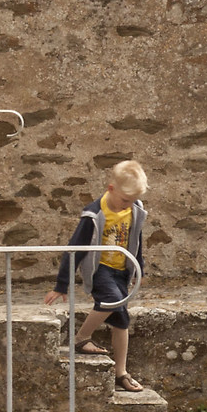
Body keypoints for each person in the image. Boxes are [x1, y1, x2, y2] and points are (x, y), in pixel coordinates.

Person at [43, 160, 150, 393]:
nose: (128, 206)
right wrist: (62, 284)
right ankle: (82, 337)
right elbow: (75, 248)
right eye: (124, 200)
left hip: (122, 270)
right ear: (111, 189)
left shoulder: (135, 208)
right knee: (110, 300)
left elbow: (137, 241)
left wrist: (138, 268)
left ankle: (121, 372)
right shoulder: (94, 214)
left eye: (132, 201)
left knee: (122, 320)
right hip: (100, 268)